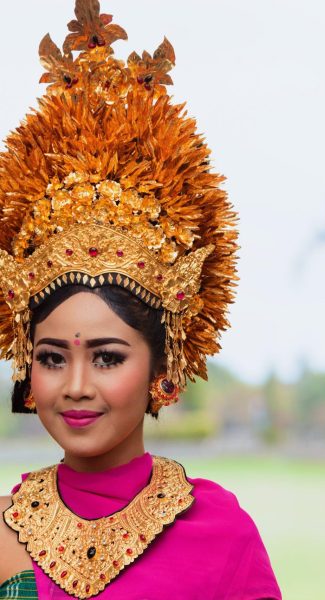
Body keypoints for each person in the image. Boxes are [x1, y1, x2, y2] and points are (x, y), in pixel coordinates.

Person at [0, 1, 282, 598]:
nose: (75, 384)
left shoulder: (220, 535)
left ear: (163, 367)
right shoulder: (2, 535)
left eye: (107, 357)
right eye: (52, 357)